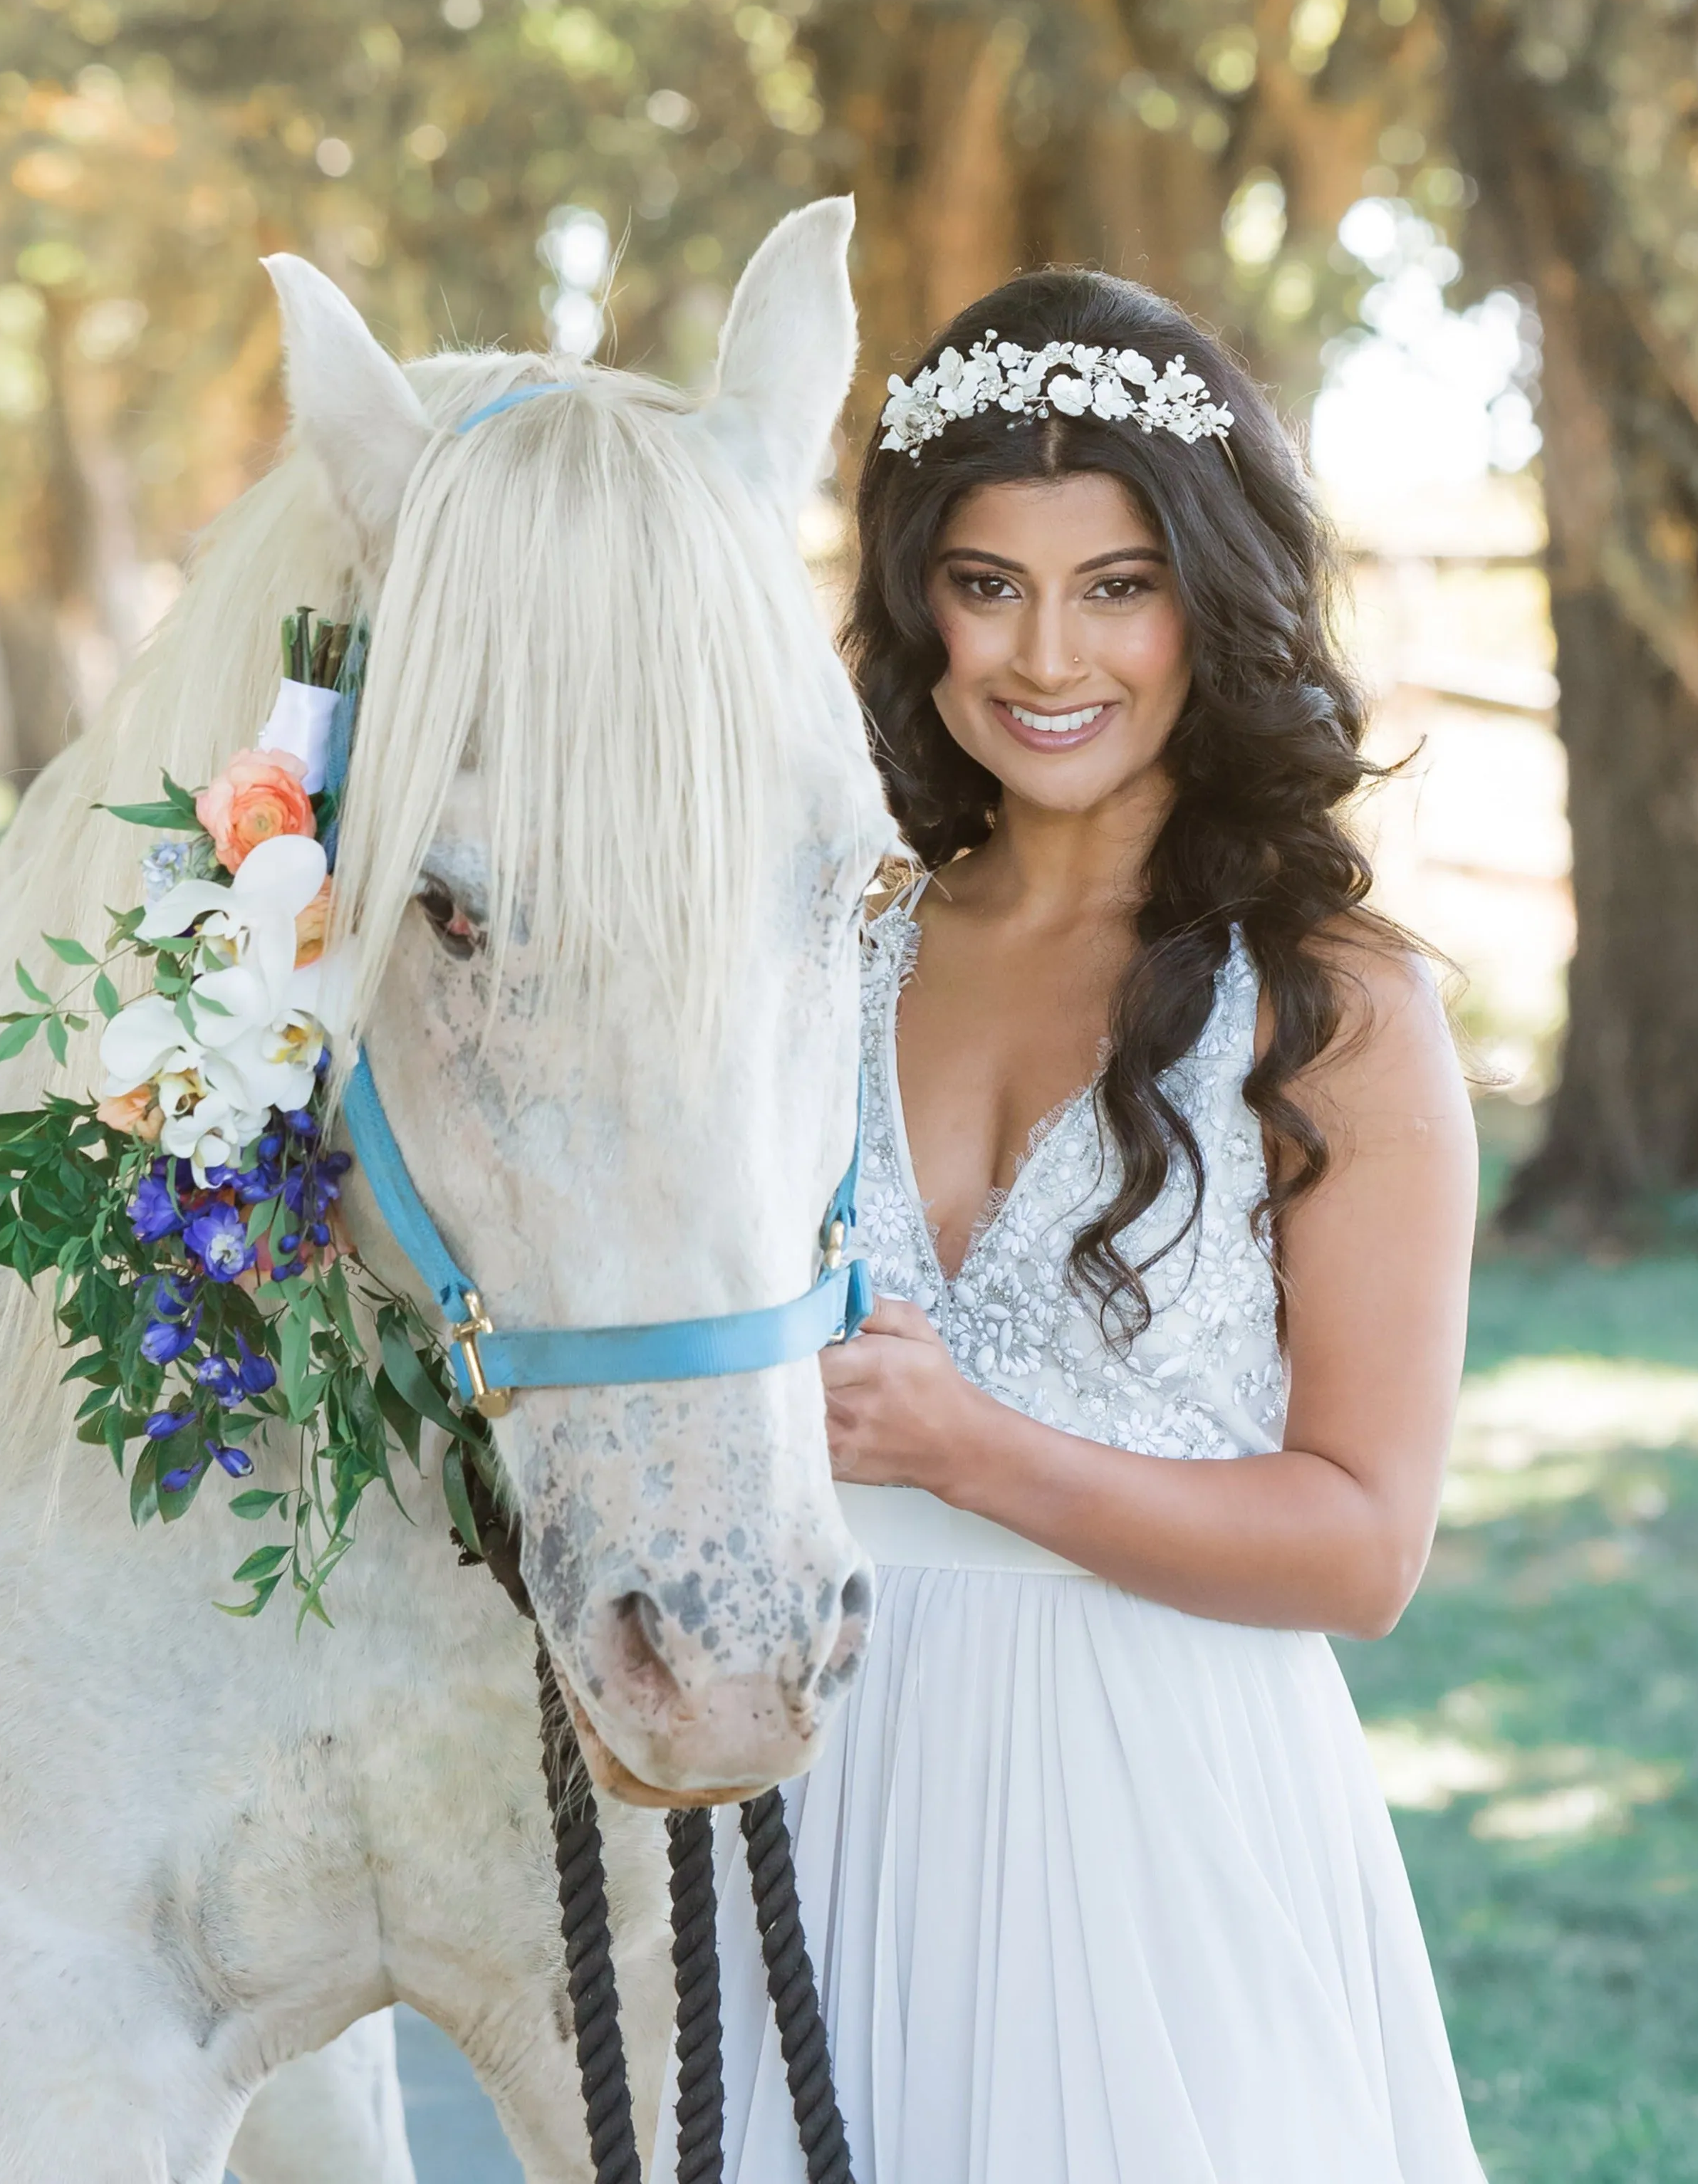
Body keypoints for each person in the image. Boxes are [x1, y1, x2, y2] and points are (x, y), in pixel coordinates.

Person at [657, 269, 1487, 2184]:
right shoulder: (822, 949)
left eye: (1118, 584)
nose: (1048, 655)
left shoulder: (1332, 1005)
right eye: (986, 582)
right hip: (824, 1800)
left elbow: (1363, 1545)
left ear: (1216, 596)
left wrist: (980, 1453)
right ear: (915, 603)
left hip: (1167, 1824)